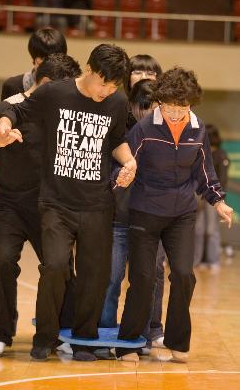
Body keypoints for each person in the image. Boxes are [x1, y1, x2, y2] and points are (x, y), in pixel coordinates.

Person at [0, 43, 136, 362]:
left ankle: (84, 340)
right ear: (89, 70)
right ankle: (46, 336)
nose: (107, 90)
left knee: (93, 274)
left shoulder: (116, 101)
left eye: (114, 86)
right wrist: (5, 125)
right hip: (56, 202)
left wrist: (130, 163)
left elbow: (116, 140)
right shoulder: (54, 94)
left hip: (98, 204)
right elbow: (16, 108)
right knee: (55, 267)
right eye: (104, 82)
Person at [115, 67, 233, 363]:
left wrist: (218, 201)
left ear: (190, 105)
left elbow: (204, 170)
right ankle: (129, 341)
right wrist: (122, 175)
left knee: (183, 275)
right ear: (160, 102)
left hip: (181, 213)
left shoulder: (198, 128)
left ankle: (177, 340)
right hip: (145, 210)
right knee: (142, 277)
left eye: (182, 108)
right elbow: (125, 160)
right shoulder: (145, 129)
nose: (176, 115)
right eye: (169, 108)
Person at [0, 53, 82, 358]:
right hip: (9, 205)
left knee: (60, 268)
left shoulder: (66, 112)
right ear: (44, 82)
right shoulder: (9, 106)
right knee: (1, 263)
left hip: (52, 205)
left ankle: (57, 333)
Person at [100, 54, 165, 351]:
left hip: (153, 220)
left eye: (150, 71)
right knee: (110, 279)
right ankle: (102, 332)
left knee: (151, 277)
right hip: (117, 216)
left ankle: (150, 331)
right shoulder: (117, 114)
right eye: (138, 70)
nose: (143, 75)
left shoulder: (168, 126)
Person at [194, 124, 230, 272]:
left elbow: (222, 178)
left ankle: (213, 259)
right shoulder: (201, 153)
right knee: (198, 229)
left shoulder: (221, 155)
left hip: (213, 197)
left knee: (211, 230)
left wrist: (218, 198)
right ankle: (197, 260)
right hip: (200, 195)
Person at [1, 27, 67, 100]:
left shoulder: (73, 88)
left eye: (57, 58)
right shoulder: (13, 85)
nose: (51, 64)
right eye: (44, 59)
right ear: (36, 60)